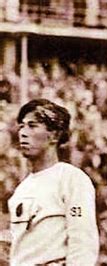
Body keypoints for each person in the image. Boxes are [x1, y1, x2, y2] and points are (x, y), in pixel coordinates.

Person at [8, 99, 99, 265]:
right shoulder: (22, 189)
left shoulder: (71, 179)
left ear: (54, 135)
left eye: (32, 125)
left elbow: (83, 241)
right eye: (21, 126)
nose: (23, 132)